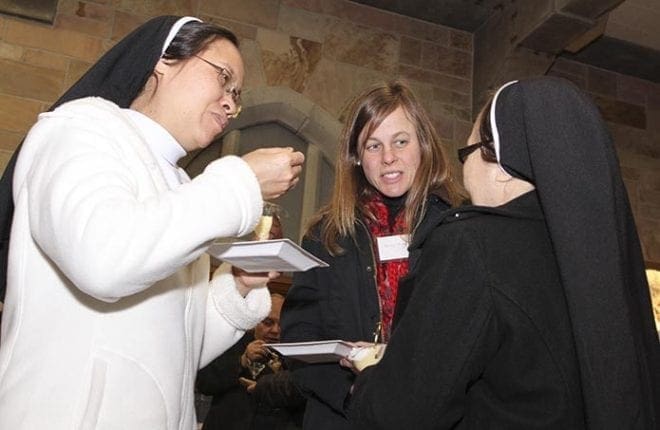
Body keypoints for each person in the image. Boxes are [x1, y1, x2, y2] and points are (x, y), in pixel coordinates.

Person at [0, 16, 304, 429]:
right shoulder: (82, 128)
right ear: (164, 60)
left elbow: (177, 350)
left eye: (237, 93)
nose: (231, 103)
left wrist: (236, 288)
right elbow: (102, 260)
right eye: (223, 78)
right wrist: (241, 181)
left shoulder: (178, 185)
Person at [346, 76, 660, 429]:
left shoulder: (473, 245)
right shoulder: (595, 256)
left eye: (467, 153)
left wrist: (371, 378)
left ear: (503, 169)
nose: (464, 171)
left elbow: (402, 412)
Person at [280, 80, 464, 429]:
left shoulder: (458, 228)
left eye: (401, 141)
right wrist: (353, 396)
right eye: (373, 145)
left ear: (423, 145)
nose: (388, 158)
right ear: (356, 158)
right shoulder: (326, 235)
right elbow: (300, 337)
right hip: (344, 415)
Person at [197, 292, 305, 429]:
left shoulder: (296, 357)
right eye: (268, 322)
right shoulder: (229, 343)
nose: (275, 330)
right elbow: (204, 384)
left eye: (281, 324)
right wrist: (242, 361)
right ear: (254, 322)